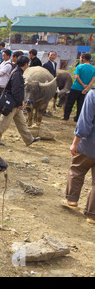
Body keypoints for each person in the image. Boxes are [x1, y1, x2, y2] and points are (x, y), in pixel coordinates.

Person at [61, 88, 95, 224]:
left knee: (77, 169)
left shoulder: (93, 95)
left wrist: (75, 143)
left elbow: (84, 122)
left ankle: (72, 199)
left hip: (89, 145)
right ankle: (92, 215)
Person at [0, 55, 40, 146]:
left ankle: (29, 139)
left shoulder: (17, 72)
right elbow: (15, 91)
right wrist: (19, 103)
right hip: (12, 103)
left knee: (21, 122)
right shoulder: (17, 74)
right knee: (4, 122)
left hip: (15, 103)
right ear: (26, 64)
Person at [62, 53, 95, 122]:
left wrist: (83, 85)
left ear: (84, 58)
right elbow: (93, 80)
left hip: (76, 88)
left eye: (81, 58)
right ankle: (77, 118)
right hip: (85, 91)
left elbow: (77, 77)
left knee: (70, 103)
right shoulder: (93, 68)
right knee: (81, 105)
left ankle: (66, 116)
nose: (80, 59)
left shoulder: (79, 67)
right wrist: (86, 88)